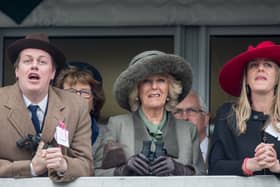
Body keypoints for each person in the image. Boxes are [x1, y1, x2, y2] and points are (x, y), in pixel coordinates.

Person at [95, 50, 205, 176]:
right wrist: (123, 171)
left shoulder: (188, 130)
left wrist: (181, 170)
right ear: (136, 90)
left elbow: (202, 175)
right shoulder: (117, 125)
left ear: (170, 88)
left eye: (161, 80)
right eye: (146, 81)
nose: (154, 87)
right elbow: (97, 173)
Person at [0, 33, 93, 181]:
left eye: (42, 62)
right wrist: (30, 168)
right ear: (17, 71)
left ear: (53, 73)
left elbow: (86, 165)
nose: (34, 65)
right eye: (27, 61)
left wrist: (64, 165)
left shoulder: (76, 105)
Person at [208, 41, 280, 176]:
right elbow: (215, 166)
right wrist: (250, 164)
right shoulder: (228, 115)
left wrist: (276, 165)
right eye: (254, 65)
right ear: (246, 78)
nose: (260, 68)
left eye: (268, 65)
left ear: (277, 78)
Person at [55, 61, 107, 156]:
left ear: (94, 101)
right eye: (70, 92)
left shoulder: (107, 136)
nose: (77, 98)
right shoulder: (46, 130)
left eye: (85, 92)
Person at [173, 90, 210, 163]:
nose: (184, 117)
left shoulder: (222, 152)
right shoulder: (164, 153)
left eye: (191, 111)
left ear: (206, 119)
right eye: (178, 112)